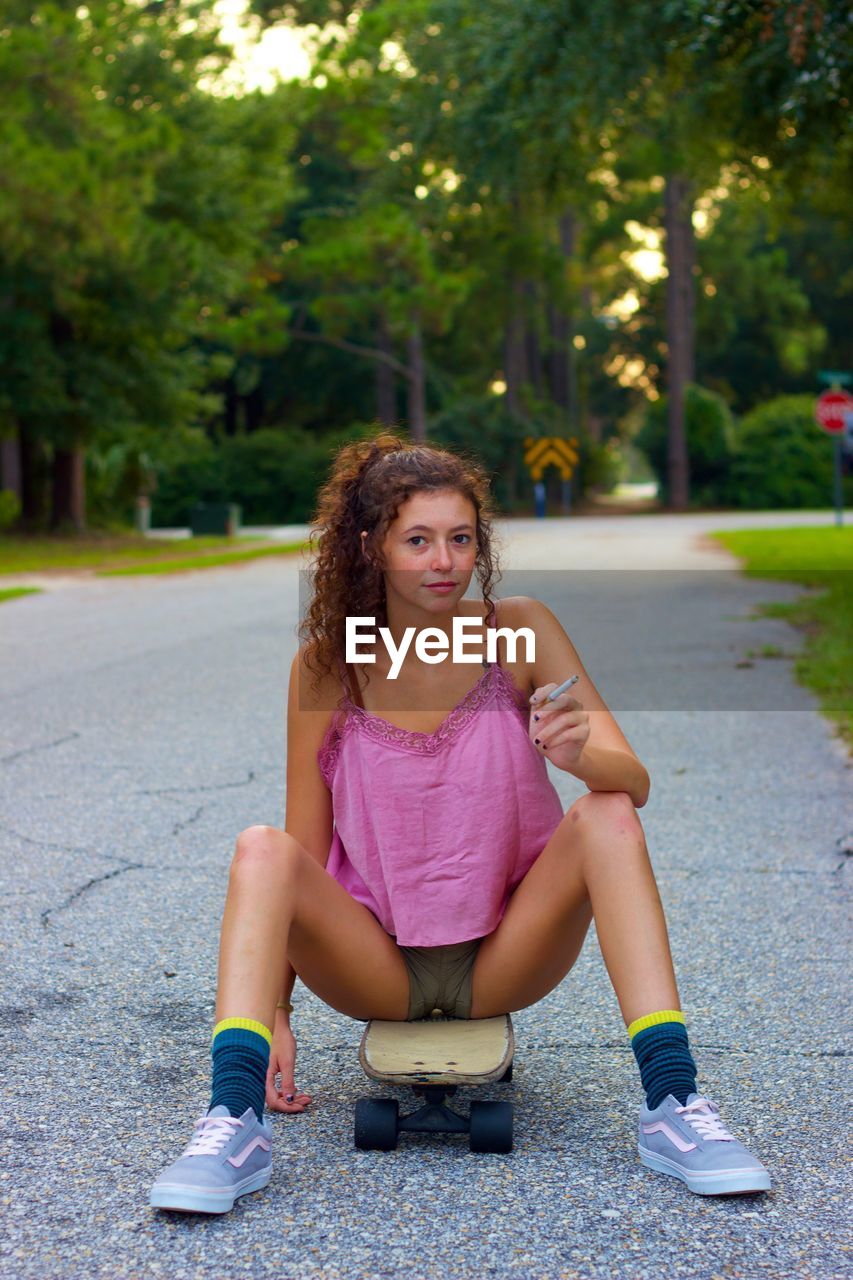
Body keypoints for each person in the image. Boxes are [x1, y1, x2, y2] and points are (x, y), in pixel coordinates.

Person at [150, 433, 771, 1214]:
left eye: (460, 538)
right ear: (371, 546)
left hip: (506, 952)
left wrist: (580, 755)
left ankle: (673, 1106)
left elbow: (632, 781)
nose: (443, 561)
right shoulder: (325, 664)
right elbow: (302, 848)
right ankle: (232, 1121)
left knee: (606, 814)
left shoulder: (520, 631)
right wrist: (275, 1011)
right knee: (260, 850)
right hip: (371, 961)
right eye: (417, 540)